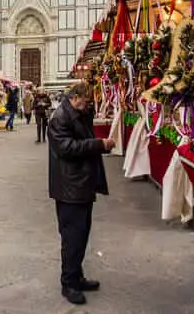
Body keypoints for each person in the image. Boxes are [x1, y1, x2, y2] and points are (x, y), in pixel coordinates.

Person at [47, 81, 114, 306]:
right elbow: (67, 148)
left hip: (80, 183)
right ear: (75, 98)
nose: (88, 107)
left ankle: (77, 275)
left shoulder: (77, 112)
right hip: (69, 187)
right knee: (72, 236)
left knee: (81, 234)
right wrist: (99, 144)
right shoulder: (60, 118)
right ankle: (69, 283)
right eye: (85, 102)